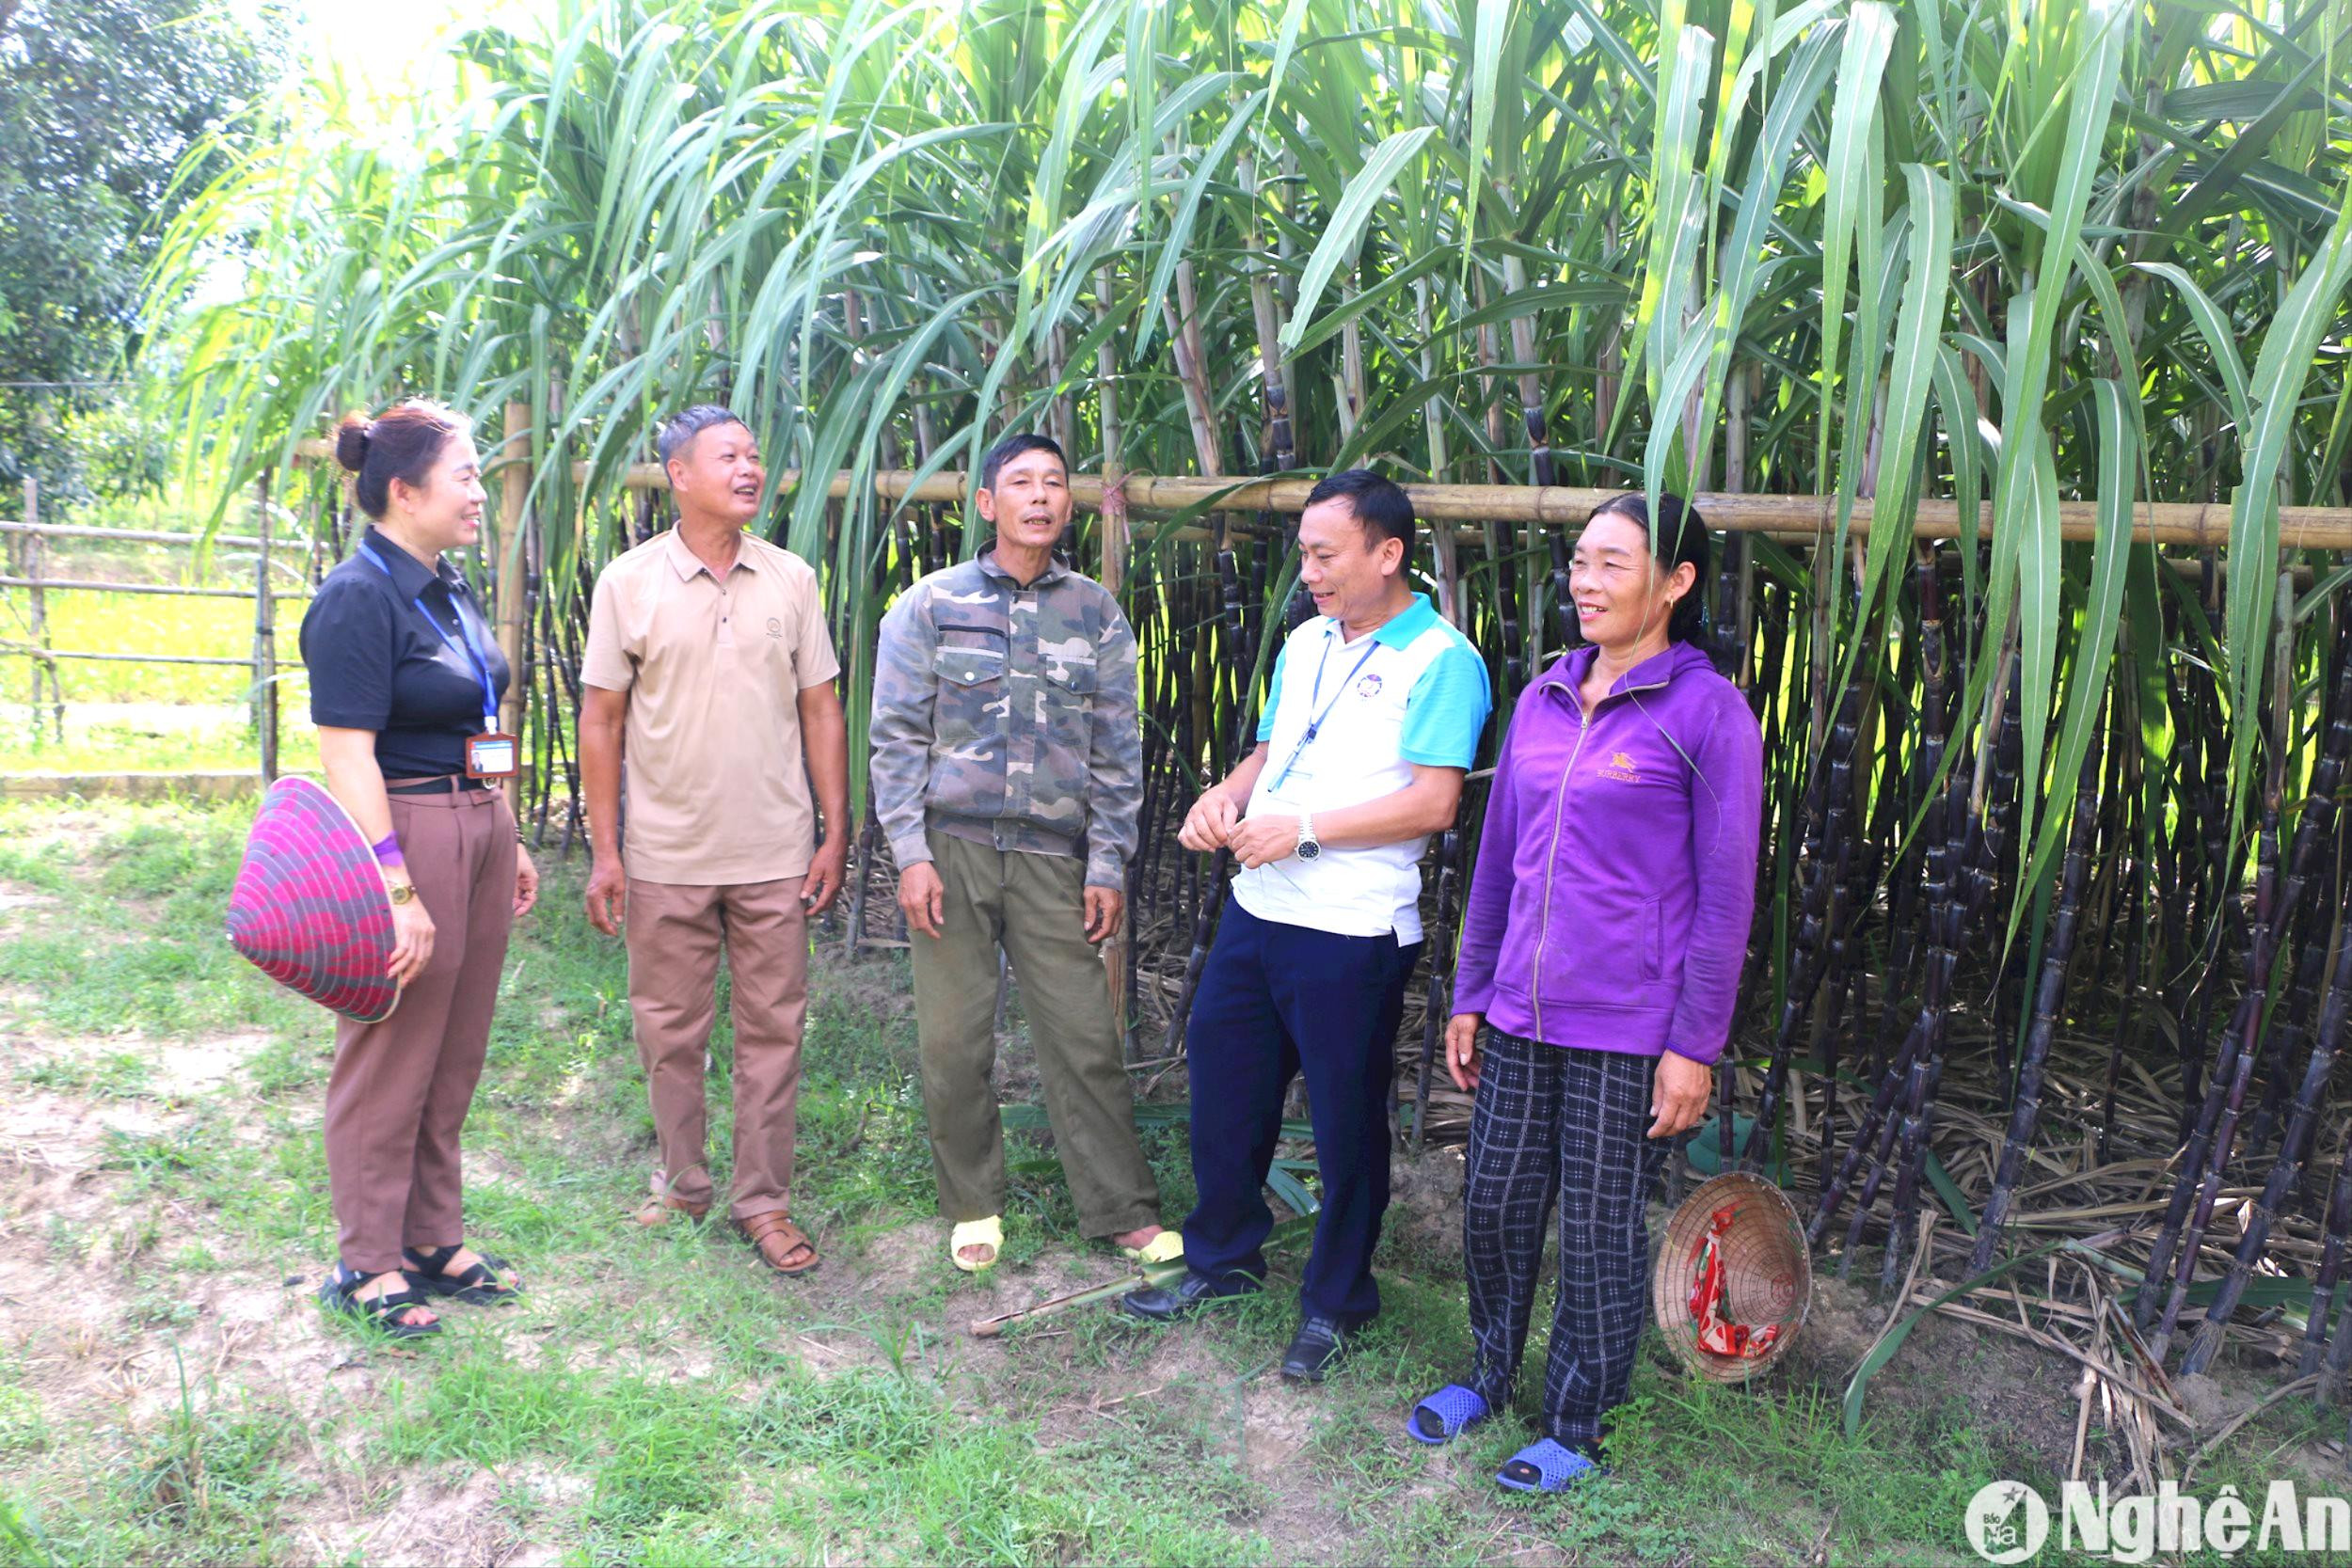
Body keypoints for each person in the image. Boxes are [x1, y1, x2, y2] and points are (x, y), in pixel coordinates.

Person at [1407, 492, 1763, 1492]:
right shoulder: (1542, 696)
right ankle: (1486, 1369)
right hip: (1519, 1009)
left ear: (1675, 581)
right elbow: (1496, 862)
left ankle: (1576, 1419)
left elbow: (1726, 896)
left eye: (1613, 563)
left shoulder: (1707, 712)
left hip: (1627, 1027)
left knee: (1604, 1228)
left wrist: (1693, 1044)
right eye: (1580, 561)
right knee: (1495, 1203)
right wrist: (1470, 988)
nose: (1586, 582)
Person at [1120, 469, 1490, 1383]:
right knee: (1223, 1087)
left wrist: (1307, 828)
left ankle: (1334, 1300)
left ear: (1388, 552)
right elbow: (1271, 749)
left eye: (1326, 554)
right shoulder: (1306, 640)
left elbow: (1434, 801)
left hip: (1352, 929)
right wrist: (1225, 796)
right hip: (1259, 911)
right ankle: (1222, 1257)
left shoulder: (1442, 659)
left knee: (1343, 1119)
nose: (1310, 571)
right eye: (1304, 554)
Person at [868, 432, 1174, 1272]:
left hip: (1052, 860)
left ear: (1069, 503)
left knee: (1083, 1036)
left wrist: (1107, 862)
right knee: (954, 1040)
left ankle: (1121, 1209)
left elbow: (1119, 753)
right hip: (952, 850)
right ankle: (972, 1201)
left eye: (1053, 482)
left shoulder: (1096, 614)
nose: (1039, 496)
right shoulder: (929, 605)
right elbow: (895, 737)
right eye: (1019, 482)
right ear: (985, 504)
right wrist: (909, 853)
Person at [580, 405, 849, 1276]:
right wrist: (607, 848)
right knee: (669, 1028)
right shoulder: (627, 581)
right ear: (679, 475)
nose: (749, 469)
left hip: (774, 850)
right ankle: (683, 1181)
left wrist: (833, 826)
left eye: (755, 455)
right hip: (666, 854)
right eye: (728, 455)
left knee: (774, 1031)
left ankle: (763, 1201)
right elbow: (602, 719)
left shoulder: (792, 579)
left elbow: (821, 707)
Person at [301, 398, 540, 1338]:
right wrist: (394, 883)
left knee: (456, 1044)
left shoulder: (445, 586)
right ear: (404, 490)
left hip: (476, 826)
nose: (480, 491)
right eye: (467, 475)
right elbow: (346, 751)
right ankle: (365, 1259)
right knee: (391, 1044)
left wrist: (509, 829)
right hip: (406, 826)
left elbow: (479, 719)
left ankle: (433, 1236)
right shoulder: (358, 595)